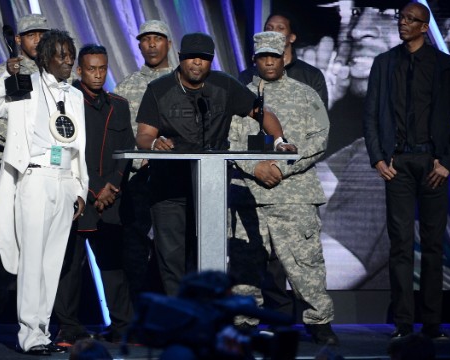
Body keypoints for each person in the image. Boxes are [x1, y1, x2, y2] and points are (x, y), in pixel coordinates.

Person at [135, 32, 294, 296]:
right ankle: (179, 318)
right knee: (171, 256)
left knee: (208, 252)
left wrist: (278, 140)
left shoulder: (225, 86)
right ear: (181, 58)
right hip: (169, 187)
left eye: (204, 59)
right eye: (192, 58)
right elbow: (144, 134)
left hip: (210, 184)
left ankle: (206, 316)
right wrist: (154, 144)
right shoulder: (159, 89)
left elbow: (261, 113)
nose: (197, 63)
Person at [363, 2, 450, 340]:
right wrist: (378, 157)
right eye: (402, 18)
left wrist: (447, 163)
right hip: (398, 164)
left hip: (433, 164)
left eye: (411, 20)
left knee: (434, 246)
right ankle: (404, 324)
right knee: (400, 246)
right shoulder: (384, 63)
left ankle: (433, 325)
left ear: (425, 27)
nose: (403, 23)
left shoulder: (444, 65)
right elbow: (370, 116)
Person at [0, 29, 88, 355]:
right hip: (35, 178)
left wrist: (80, 187)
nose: (68, 61)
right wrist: (3, 80)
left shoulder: (75, 95)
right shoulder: (25, 84)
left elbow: (78, 147)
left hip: (65, 181)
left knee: (52, 263)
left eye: (71, 55)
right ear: (44, 58)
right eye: (61, 55)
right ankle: (28, 334)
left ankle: (41, 331)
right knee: (32, 262)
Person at [228, 31, 337, 345]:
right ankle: (245, 321)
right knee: (245, 264)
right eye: (263, 56)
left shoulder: (305, 94)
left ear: (284, 57)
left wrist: (282, 167)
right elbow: (227, 141)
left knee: (305, 263)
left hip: (294, 194)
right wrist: (254, 167)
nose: (269, 62)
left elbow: (319, 139)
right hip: (247, 193)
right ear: (254, 60)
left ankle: (319, 321)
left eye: (274, 56)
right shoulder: (238, 97)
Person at [0, 13, 50, 343]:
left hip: (47, 172)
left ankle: (43, 323)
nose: (37, 40)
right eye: (31, 35)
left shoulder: (56, 72)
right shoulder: (5, 70)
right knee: (2, 249)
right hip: (10, 170)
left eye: (42, 35)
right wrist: (28, 140)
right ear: (19, 39)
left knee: (47, 251)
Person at [53, 44, 135, 345]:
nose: (98, 75)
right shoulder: (65, 104)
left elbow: (126, 150)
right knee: (70, 266)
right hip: (76, 197)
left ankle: (123, 326)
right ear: (79, 70)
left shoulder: (119, 105)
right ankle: (68, 327)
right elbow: (64, 152)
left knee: (113, 266)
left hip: (110, 197)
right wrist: (90, 189)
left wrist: (112, 185)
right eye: (91, 69)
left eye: (102, 68)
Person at [114, 20, 174, 303]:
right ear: (139, 45)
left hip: (175, 178)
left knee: (172, 245)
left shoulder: (182, 81)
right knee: (135, 245)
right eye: (146, 39)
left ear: (168, 44)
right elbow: (120, 132)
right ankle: (136, 309)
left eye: (157, 38)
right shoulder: (126, 86)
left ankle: (173, 308)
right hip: (138, 177)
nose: (151, 44)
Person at [238, 11, 328, 107]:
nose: (273, 32)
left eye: (280, 28)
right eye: (269, 28)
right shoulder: (248, 76)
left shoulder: (311, 76)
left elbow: (320, 117)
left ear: (292, 37)